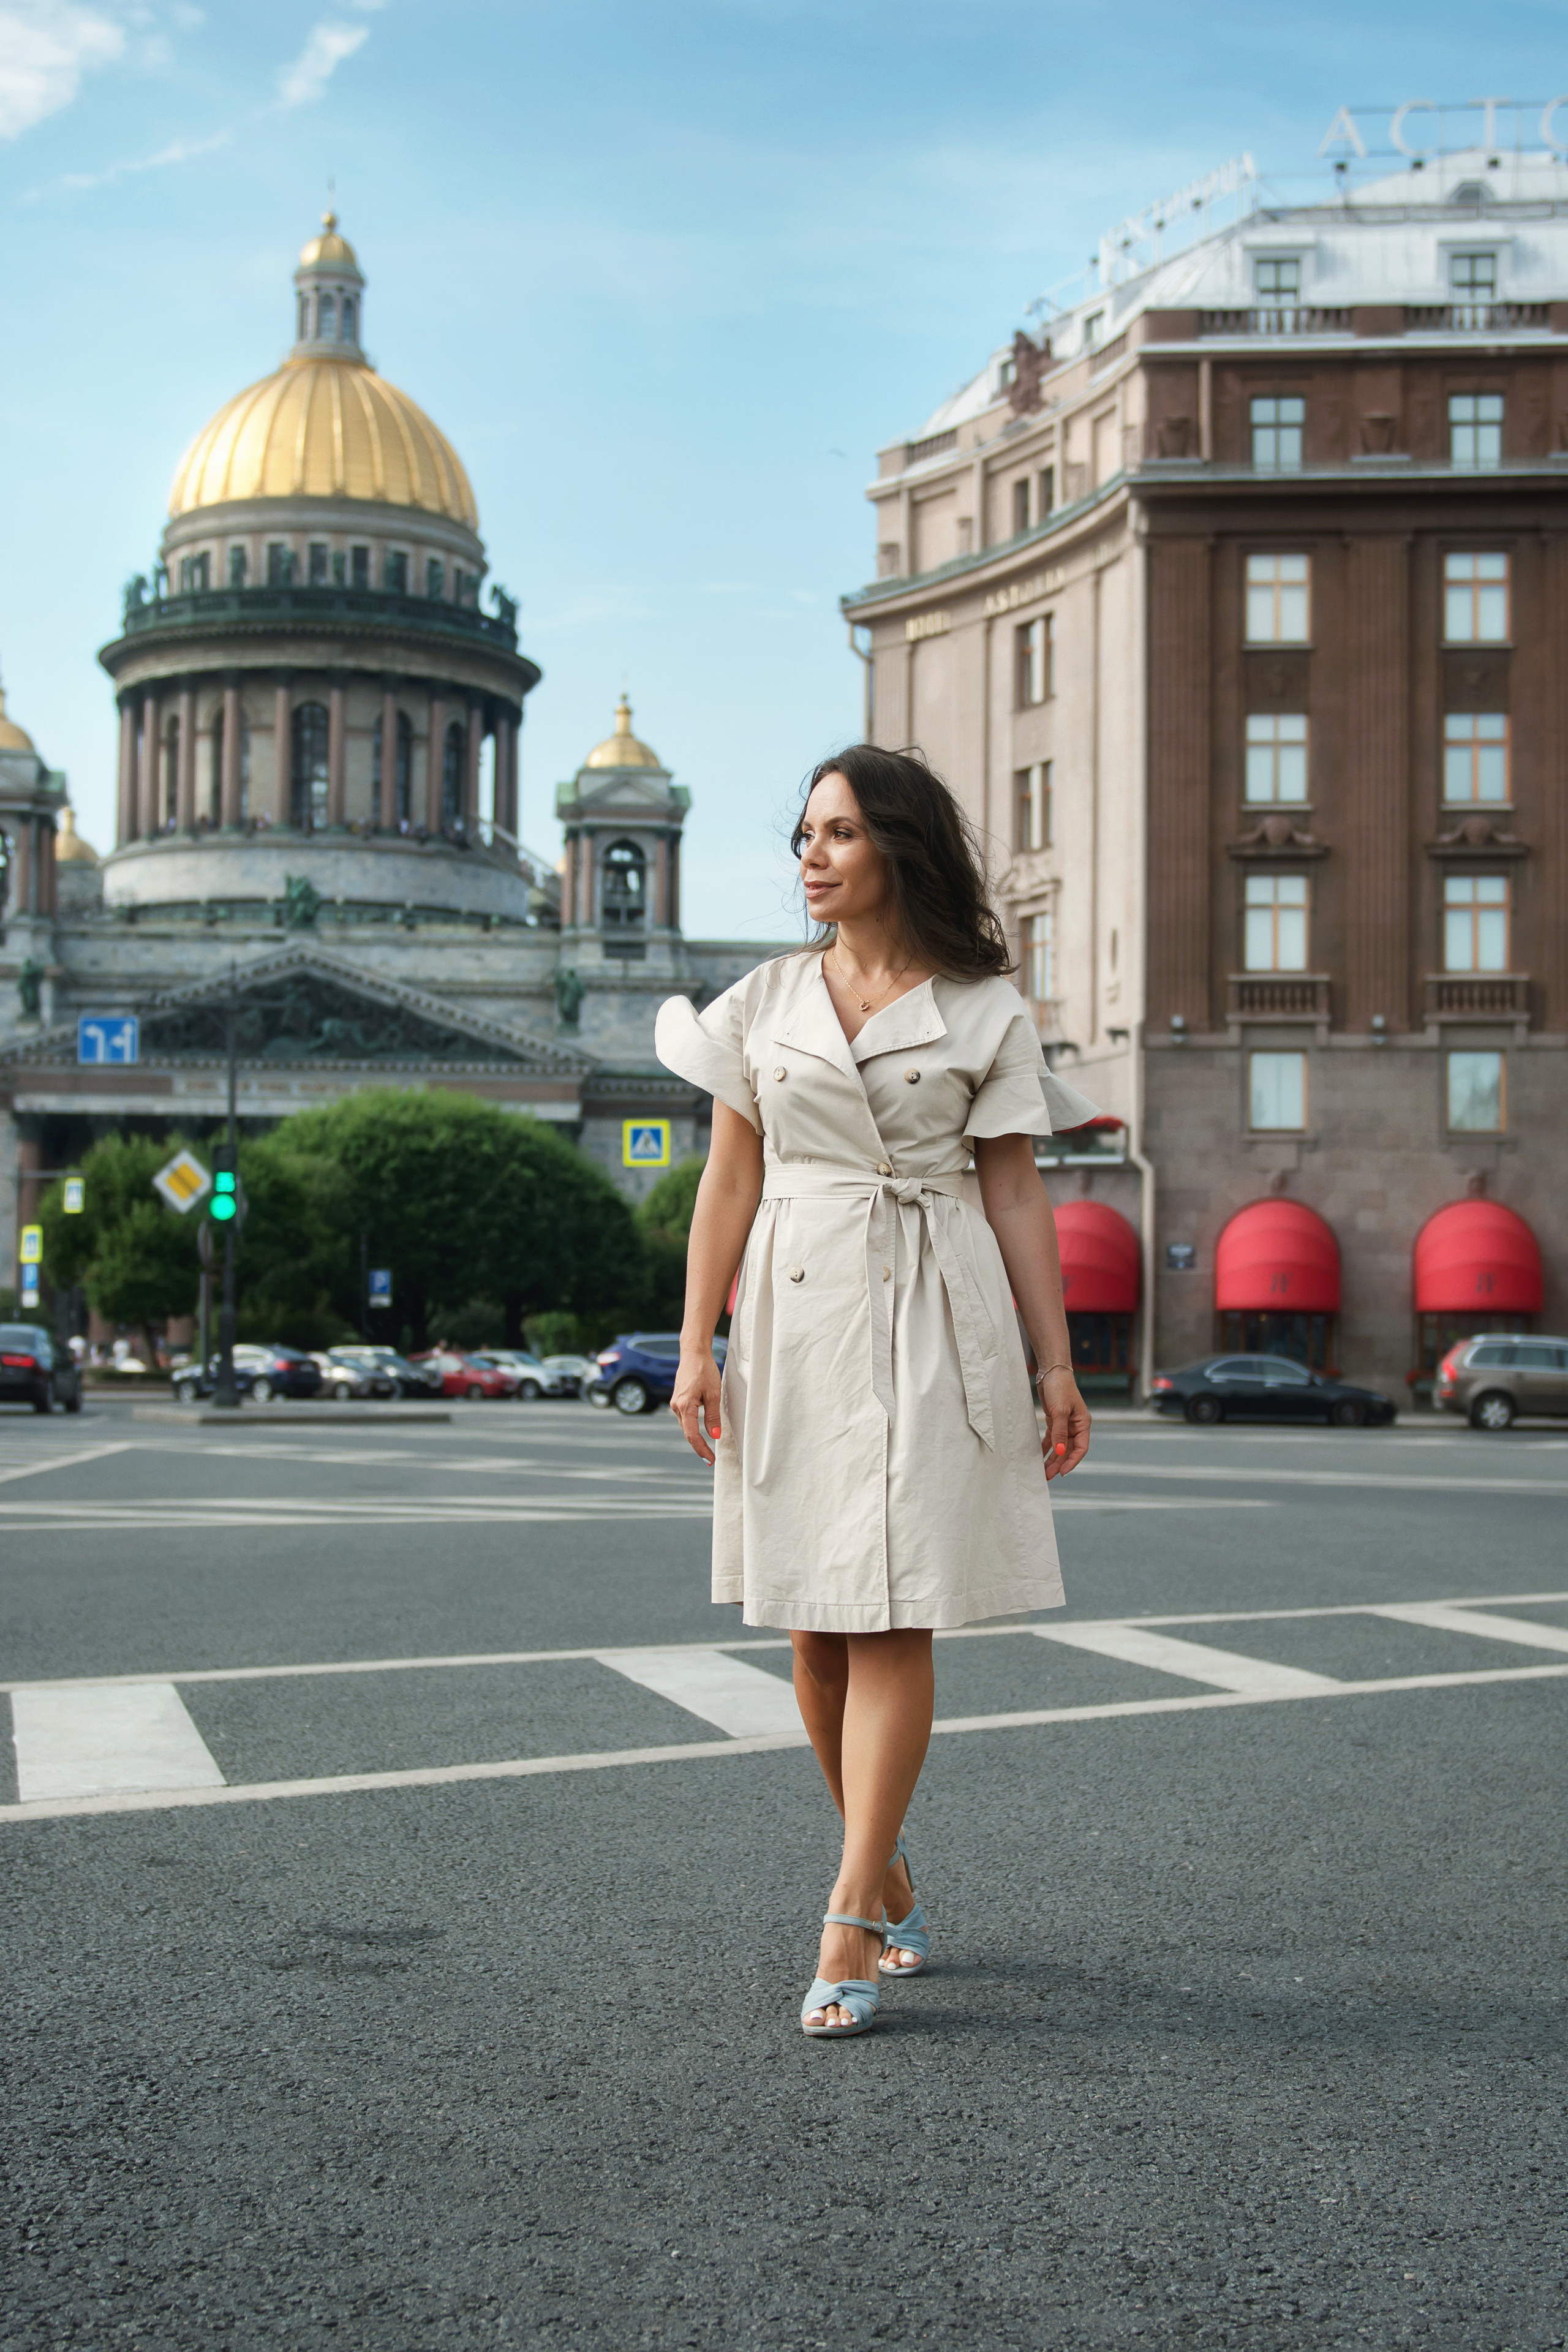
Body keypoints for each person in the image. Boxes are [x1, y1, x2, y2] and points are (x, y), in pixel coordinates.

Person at [655, 745, 1094, 2038]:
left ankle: (847, 1914)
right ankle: (885, 1861)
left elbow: (1013, 1188)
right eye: (802, 833)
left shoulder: (979, 1007)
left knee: (889, 1612)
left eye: (837, 833)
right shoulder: (762, 999)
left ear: (894, 847)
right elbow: (725, 1183)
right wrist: (694, 1344)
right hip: (790, 1313)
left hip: (923, 1301)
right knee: (808, 1627)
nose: (809, 855)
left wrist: (1053, 1360)